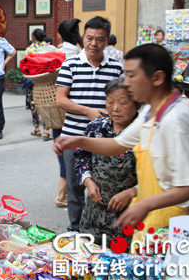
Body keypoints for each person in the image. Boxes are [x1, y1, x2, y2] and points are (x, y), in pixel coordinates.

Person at [55, 43, 189, 231]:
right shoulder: (149, 111)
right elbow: (118, 143)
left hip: (174, 220)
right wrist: (79, 140)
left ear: (157, 78)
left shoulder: (177, 119)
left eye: (131, 75)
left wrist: (144, 204)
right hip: (151, 217)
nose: (126, 83)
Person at [55, 16, 123, 232]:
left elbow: (123, 100)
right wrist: (87, 111)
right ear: (83, 37)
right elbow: (61, 99)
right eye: (90, 38)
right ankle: (75, 229)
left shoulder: (116, 67)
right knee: (75, 189)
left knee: (102, 187)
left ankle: (98, 230)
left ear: (107, 41)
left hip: (106, 141)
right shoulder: (70, 64)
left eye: (100, 40)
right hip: (73, 136)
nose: (94, 44)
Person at [74, 79, 139, 245]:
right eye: (110, 102)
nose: (115, 108)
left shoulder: (145, 132)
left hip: (130, 215)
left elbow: (157, 176)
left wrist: (132, 192)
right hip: (94, 213)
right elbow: (81, 158)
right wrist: (88, 181)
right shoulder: (95, 128)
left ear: (137, 104)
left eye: (123, 103)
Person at [51, 18, 84, 208]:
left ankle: (62, 193)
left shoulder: (57, 53)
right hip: (75, 113)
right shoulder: (80, 54)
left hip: (56, 111)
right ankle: (62, 194)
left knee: (62, 150)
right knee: (73, 153)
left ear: (60, 35)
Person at [25, 29, 51, 141]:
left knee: (34, 104)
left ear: (33, 38)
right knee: (47, 105)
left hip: (34, 82)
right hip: (46, 82)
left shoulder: (29, 50)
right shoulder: (49, 49)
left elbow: (26, 66)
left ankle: (36, 129)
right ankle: (46, 131)